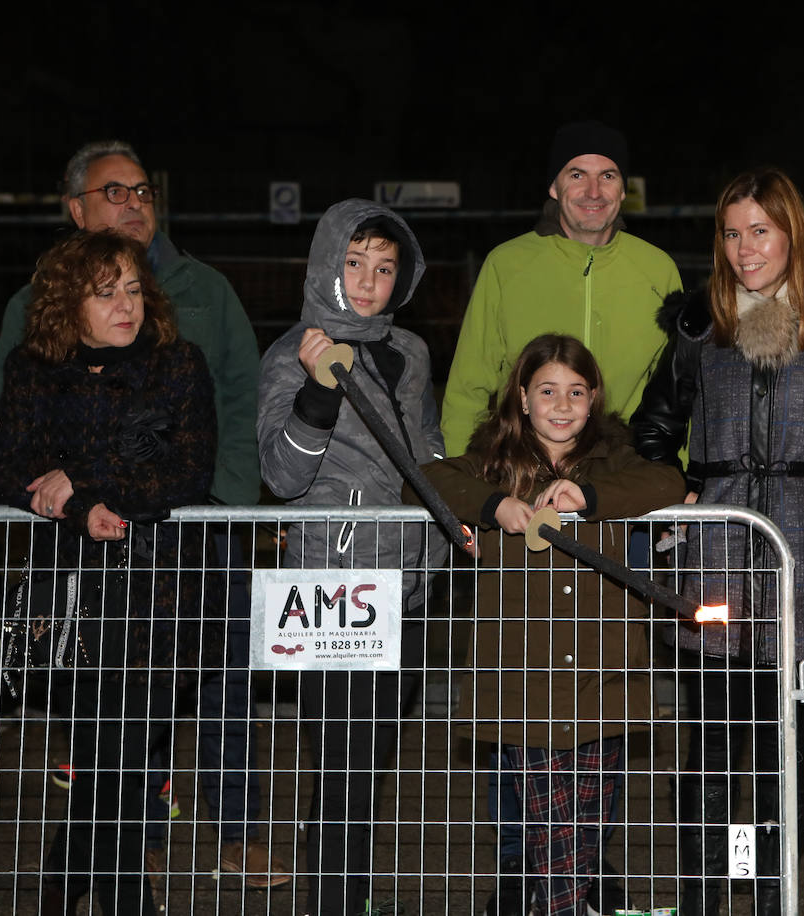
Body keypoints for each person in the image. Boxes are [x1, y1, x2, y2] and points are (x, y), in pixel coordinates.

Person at [0, 140, 280, 886]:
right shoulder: (33, 314)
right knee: (106, 735)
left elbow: (231, 407)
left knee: (216, 685)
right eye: (114, 191)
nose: (134, 202)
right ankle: (128, 853)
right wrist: (61, 496)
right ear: (76, 209)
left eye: (144, 189)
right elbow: (14, 451)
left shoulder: (203, 294)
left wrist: (226, 507)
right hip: (84, 569)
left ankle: (233, 832)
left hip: (192, 535)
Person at [630, 166, 804, 915]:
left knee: (790, 759)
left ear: (793, 235)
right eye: (732, 233)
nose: (745, 249)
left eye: (761, 232)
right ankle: (704, 899)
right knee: (712, 755)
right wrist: (673, 492)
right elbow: (650, 431)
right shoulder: (697, 331)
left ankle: (767, 888)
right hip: (714, 571)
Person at [411, 334, 685, 916]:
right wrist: (493, 506)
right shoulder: (494, 460)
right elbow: (423, 477)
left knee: (588, 816)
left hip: (602, 665)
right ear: (523, 396)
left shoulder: (615, 458)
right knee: (546, 816)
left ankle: (562, 903)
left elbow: (667, 482)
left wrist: (586, 495)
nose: (562, 406)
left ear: (595, 398)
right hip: (523, 670)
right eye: (548, 391)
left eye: (577, 392)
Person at [0, 230, 219, 914]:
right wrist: (77, 505)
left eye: (133, 288)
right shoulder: (33, 370)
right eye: (105, 292)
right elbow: (6, 473)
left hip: (158, 598)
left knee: (115, 761)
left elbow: (187, 474)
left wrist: (80, 484)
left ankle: (95, 892)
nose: (127, 304)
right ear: (67, 304)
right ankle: (78, 884)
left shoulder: (178, 365)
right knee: (105, 761)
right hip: (73, 601)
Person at [257, 200, 447, 916]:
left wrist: (453, 519)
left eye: (385, 268)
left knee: (367, 765)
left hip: (408, 583)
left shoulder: (412, 352)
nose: (368, 282)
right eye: (355, 263)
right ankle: (335, 899)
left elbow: (427, 449)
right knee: (344, 767)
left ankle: (341, 894)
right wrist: (317, 390)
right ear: (327, 262)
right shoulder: (289, 352)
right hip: (331, 585)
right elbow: (281, 477)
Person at [440, 119, 682, 457]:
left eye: (608, 176)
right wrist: (460, 481)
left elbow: (677, 392)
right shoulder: (506, 265)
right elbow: (468, 386)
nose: (594, 192)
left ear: (624, 190)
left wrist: (678, 478)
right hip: (521, 471)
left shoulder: (658, 270)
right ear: (554, 187)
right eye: (577, 174)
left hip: (623, 476)